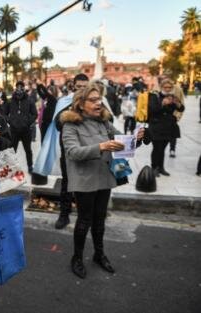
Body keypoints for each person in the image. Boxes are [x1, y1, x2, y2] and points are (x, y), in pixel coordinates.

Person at [61, 84, 145, 278]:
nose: (98, 103)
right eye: (93, 100)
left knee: (100, 221)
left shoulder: (103, 122)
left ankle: (99, 254)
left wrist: (136, 138)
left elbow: (122, 142)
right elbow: (73, 152)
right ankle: (77, 258)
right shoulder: (70, 125)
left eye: (99, 99)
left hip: (104, 177)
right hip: (84, 181)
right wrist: (101, 146)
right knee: (84, 221)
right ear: (80, 104)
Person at [53, 73, 89, 229]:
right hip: (68, 151)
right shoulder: (65, 102)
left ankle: (85, 216)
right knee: (67, 183)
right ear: (73, 86)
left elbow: (108, 122)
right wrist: (72, 114)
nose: (81, 89)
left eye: (84, 87)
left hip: (89, 151)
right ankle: (64, 214)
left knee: (87, 184)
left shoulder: (94, 103)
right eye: (78, 86)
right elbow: (57, 124)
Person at [148, 79, 185, 177]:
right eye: (166, 87)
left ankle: (161, 167)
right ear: (161, 87)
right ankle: (154, 167)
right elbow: (152, 110)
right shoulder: (154, 96)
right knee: (156, 148)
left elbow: (181, 109)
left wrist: (177, 103)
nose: (168, 89)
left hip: (169, 127)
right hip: (156, 127)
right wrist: (162, 104)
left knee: (163, 148)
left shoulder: (173, 97)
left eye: (170, 87)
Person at [3, 80, 38, 173]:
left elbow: (35, 114)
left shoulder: (29, 100)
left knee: (28, 150)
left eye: (21, 87)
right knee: (12, 150)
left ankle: (30, 167)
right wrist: (11, 121)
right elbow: (4, 113)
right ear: (15, 88)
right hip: (13, 130)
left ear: (24, 88)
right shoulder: (10, 100)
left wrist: (27, 122)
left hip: (26, 130)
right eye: (17, 86)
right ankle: (10, 168)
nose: (19, 89)